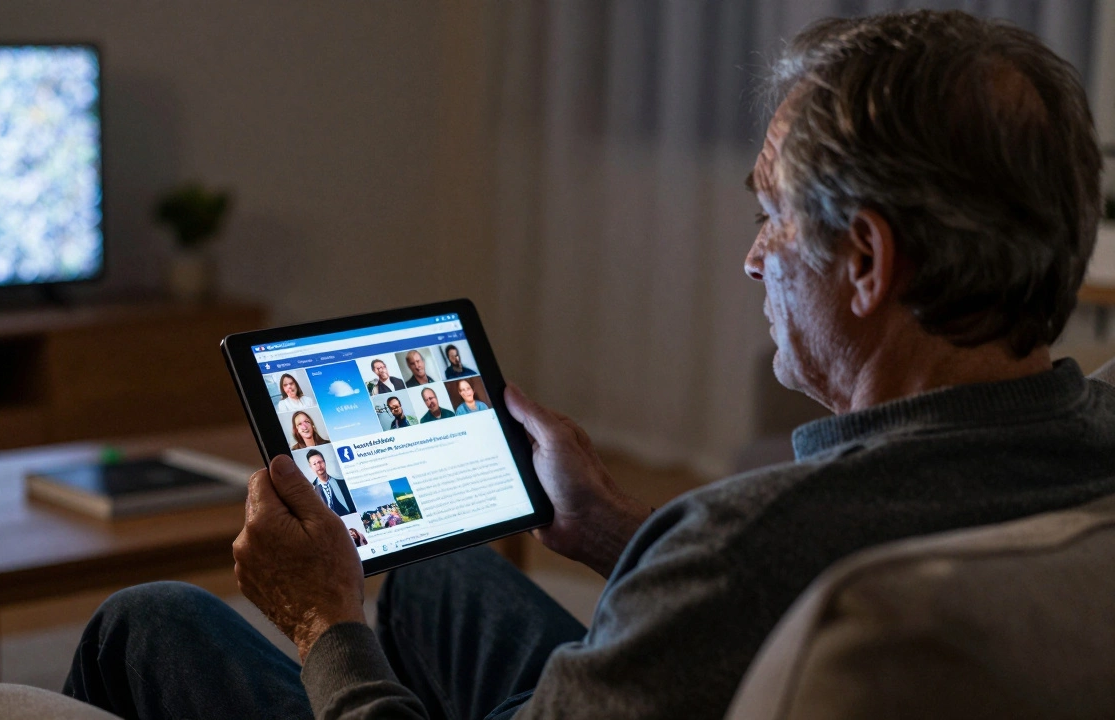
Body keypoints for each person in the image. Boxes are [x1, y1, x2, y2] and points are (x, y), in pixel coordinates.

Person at [64, 11, 1115, 720]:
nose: (751, 258)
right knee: (435, 570)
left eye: (768, 215)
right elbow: (742, 606)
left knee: (150, 624)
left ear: (865, 259)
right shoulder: (1091, 445)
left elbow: (745, 578)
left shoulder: (747, 547)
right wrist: (618, 529)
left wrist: (322, 623)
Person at [305, 449, 355, 516]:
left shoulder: (342, 483)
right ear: (311, 467)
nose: (318, 466)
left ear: (324, 462)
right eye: (314, 464)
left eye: (320, 462)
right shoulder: (310, 490)